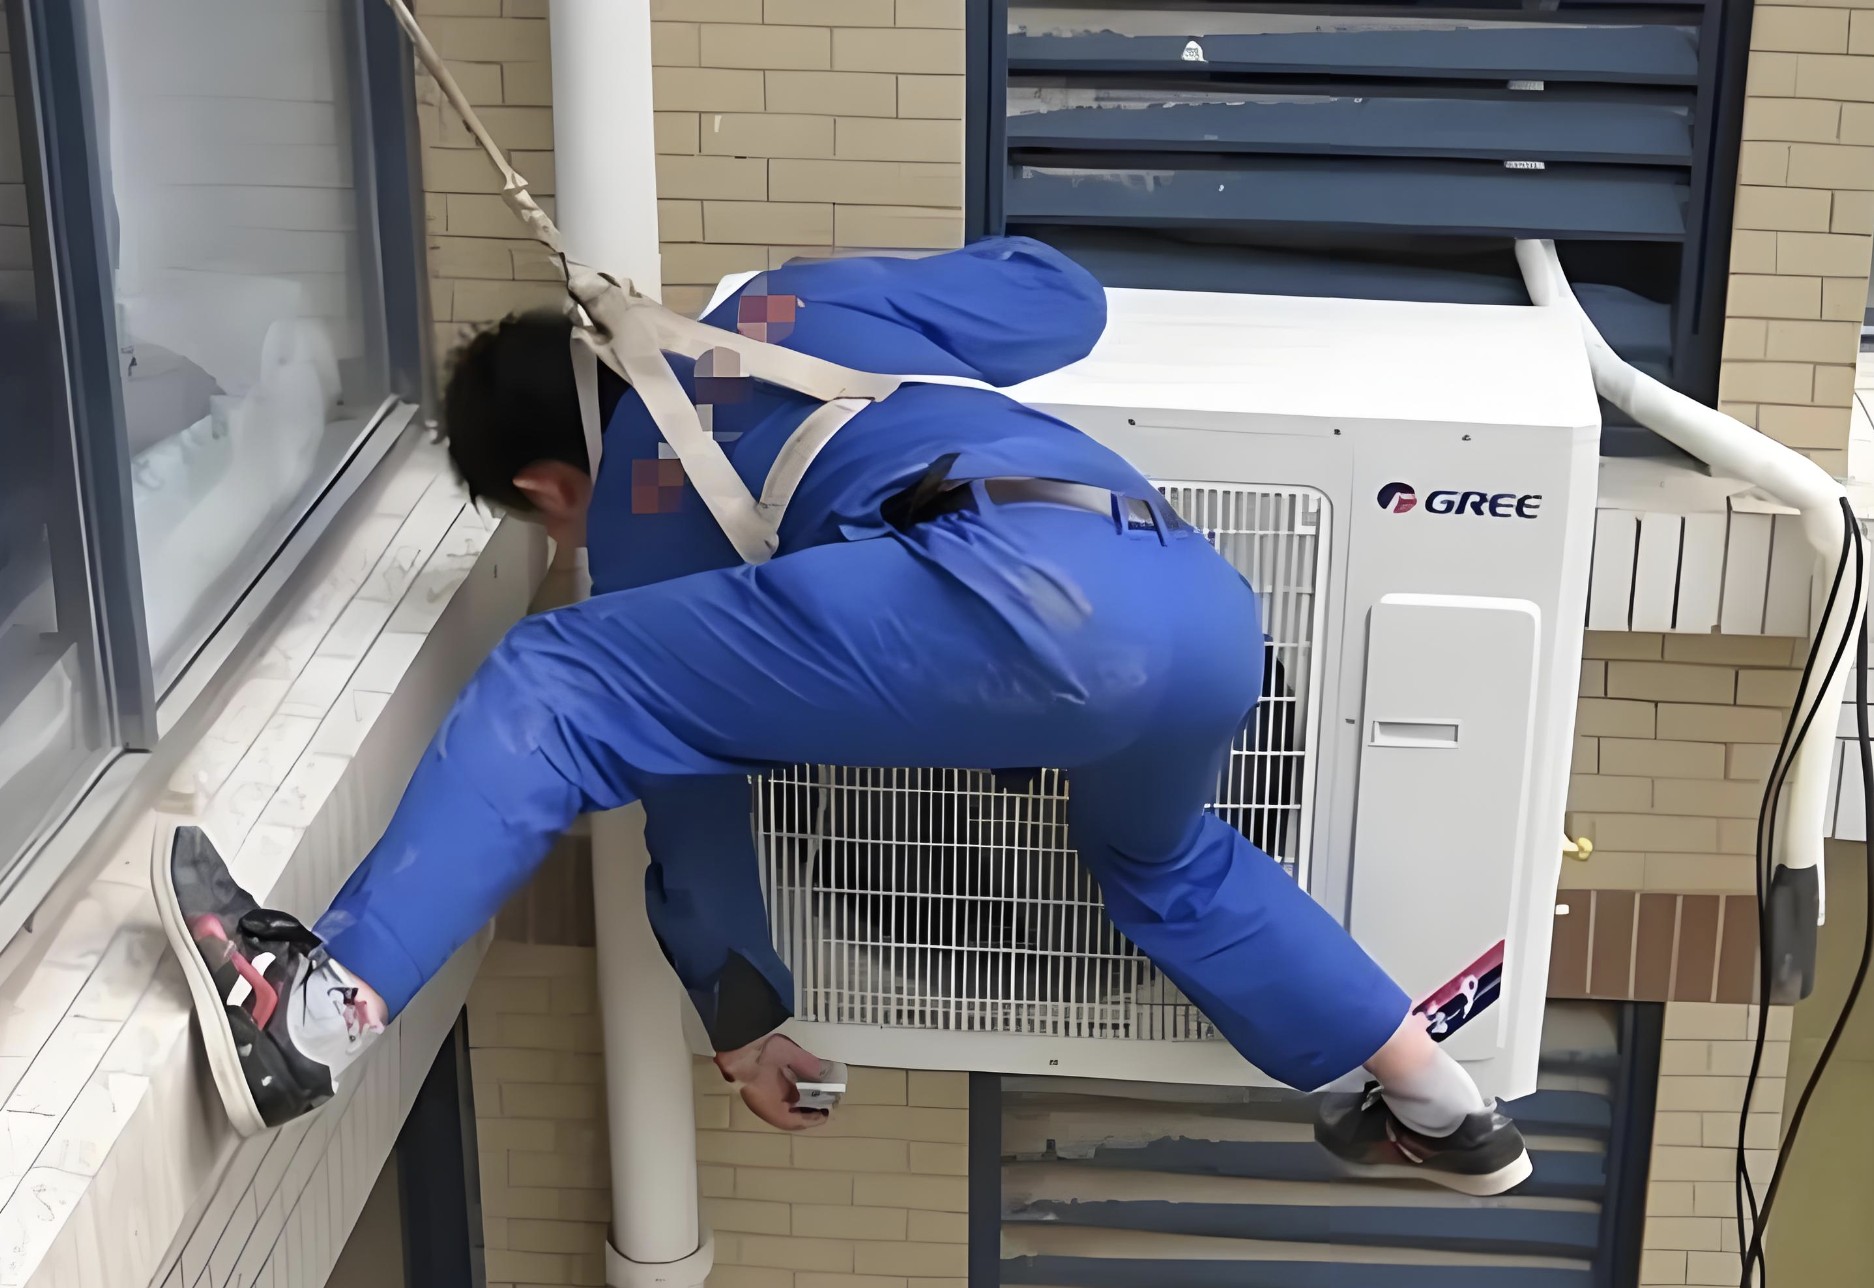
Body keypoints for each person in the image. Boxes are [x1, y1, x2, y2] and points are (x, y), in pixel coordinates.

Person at [153, 237, 1530, 1195]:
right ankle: (1441, 1105)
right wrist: (832, 289)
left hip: (1015, 594)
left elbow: (692, 808)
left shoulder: (641, 503)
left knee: (557, 680)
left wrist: (743, 1018)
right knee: (1166, 863)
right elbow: (1060, 301)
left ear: (543, 484)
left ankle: (313, 1013)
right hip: (1202, 605)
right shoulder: (783, 310)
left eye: (547, 524)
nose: (571, 544)